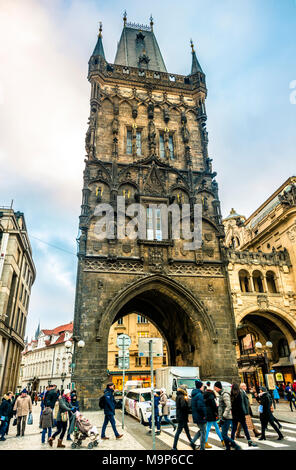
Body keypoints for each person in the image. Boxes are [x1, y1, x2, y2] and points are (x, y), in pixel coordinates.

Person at [214, 381, 241, 451]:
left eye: (214, 388)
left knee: (224, 435)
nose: (214, 389)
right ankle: (228, 448)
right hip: (223, 417)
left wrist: (223, 416)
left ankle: (235, 445)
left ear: (217, 387)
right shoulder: (221, 394)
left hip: (226, 417)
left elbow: (228, 406)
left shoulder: (225, 394)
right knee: (224, 434)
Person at [230, 383, 257, 447]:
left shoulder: (231, 395)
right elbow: (241, 405)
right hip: (241, 414)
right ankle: (249, 441)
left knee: (234, 429)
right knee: (245, 428)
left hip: (234, 414)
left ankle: (231, 441)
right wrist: (245, 412)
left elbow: (232, 405)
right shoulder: (239, 394)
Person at [172, 384, 196, 450]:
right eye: (185, 389)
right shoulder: (182, 396)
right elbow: (183, 406)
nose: (186, 390)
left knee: (187, 431)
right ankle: (174, 447)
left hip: (182, 417)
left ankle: (192, 444)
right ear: (183, 390)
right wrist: (188, 405)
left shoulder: (178, 396)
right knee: (178, 432)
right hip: (182, 417)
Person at [203, 382, 224, 448]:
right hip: (211, 414)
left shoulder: (204, 395)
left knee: (216, 427)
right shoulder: (211, 396)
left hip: (208, 413)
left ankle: (222, 440)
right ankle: (205, 442)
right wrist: (217, 412)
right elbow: (214, 406)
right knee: (208, 428)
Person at [191, 380, 207, 450]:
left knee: (201, 430)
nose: (203, 387)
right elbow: (201, 407)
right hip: (200, 416)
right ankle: (202, 448)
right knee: (203, 432)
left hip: (196, 416)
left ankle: (192, 442)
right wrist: (204, 415)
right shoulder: (199, 395)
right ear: (200, 387)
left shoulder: (194, 394)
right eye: (203, 386)